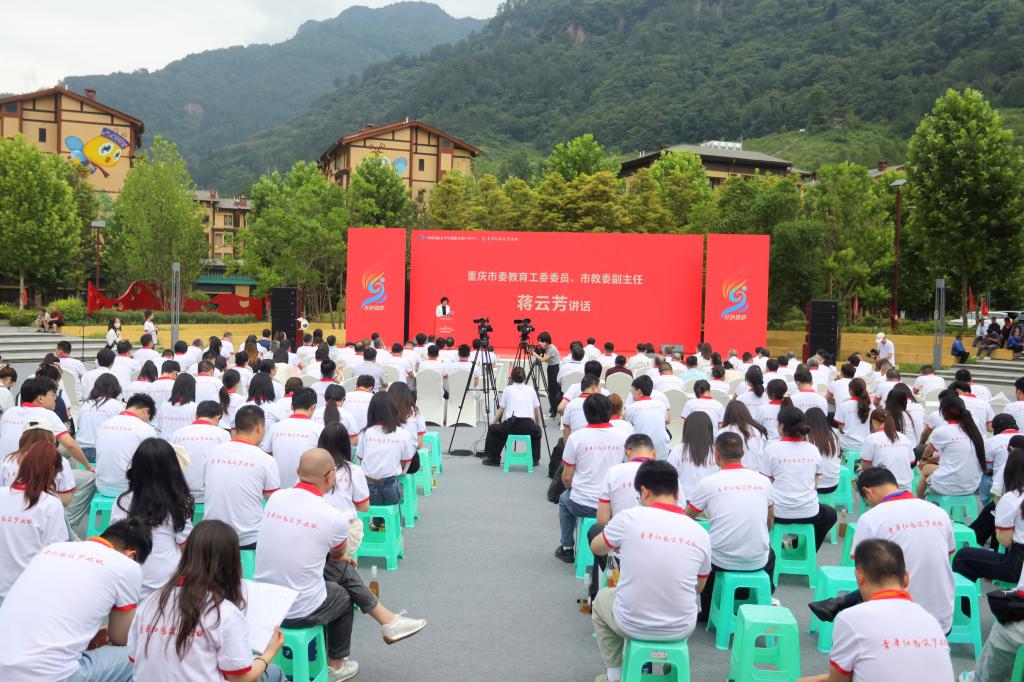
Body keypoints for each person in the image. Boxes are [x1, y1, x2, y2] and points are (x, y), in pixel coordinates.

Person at [256, 449, 426, 682]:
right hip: (298, 610)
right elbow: (338, 554)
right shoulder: (332, 516)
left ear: (297, 472)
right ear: (330, 477)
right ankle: (337, 664)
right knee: (343, 595)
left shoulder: (276, 498)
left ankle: (389, 621)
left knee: (341, 568)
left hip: (267, 602)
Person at [589, 460, 711, 682]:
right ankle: (667, 673)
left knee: (600, 601)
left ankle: (614, 675)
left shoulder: (628, 518)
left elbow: (596, 547)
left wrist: (620, 544)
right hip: (680, 626)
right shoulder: (700, 533)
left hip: (631, 622)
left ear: (644, 492)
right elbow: (698, 587)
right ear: (677, 492)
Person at [127, 520, 285, 682]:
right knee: (274, 673)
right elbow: (240, 678)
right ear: (231, 564)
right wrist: (269, 652)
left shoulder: (151, 600)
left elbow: (134, 657)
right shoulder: (224, 613)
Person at [808, 466, 955, 637]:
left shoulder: (871, 518)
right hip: (940, 620)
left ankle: (839, 604)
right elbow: (947, 556)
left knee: (872, 579)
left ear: (867, 492)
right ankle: (838, 603)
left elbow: (864, 576)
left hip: (893, 623)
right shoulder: (939, 513)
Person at [0, 518, 152, 682]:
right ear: (131, 555)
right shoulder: (127, 566)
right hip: (51, 676)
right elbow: (120, 638)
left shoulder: (51, 549)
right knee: (140, 653)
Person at [798, 539, 953, 682]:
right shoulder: (930, 620)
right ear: (906, 577)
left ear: (860, 577)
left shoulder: (850, 619)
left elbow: (838, 681)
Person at [687, 431, 775, 620]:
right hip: (757, 559)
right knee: (770, 553)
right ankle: (764, 596)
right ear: (742, 454)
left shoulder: (708, 483)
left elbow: (687, 518)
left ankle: (708, 610)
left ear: (717, 455)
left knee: (706, 552)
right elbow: (770, 520)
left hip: (721, 559)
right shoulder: (763, 481)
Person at [110, 438, 193, 597]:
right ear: (173, 470)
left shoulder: (122, 501)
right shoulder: (177, 503)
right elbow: (186, 547)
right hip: (167, 585)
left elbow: (116, 543)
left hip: (129, 582)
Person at [557, 394, 628, 563]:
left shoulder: (576, 437)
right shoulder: (623, 436)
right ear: (609, 411)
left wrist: (574, 490)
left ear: (586, 413)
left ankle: (567, 547)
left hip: (583, 503)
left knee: (564, 500)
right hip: (613, 505)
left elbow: (567, 476)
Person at [0, 441, 69, 602]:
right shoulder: (50, 503)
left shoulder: (2, 494)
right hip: (27, 592)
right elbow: (56, 553)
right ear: (52, 471)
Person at [203, 406, 280, 549]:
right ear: (259, 427)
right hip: (248, 540)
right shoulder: (266, 460)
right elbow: (273, 502)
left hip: (211, 536)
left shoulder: (213, 453)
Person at [766, 407, 836, 550]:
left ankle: (778, 548)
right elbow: (815, 484)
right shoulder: (813, 449)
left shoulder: (771, 449)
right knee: (830, 515)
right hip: (808, 512)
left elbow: (766, 485)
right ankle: (805, 550)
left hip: (778, 513)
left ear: (781, 426)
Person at [951, 447, 1024, 584]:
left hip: (1018, 566)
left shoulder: (1012, 498)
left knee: (963, 557)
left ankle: (965, 598)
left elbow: (1005, 541)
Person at [0, 375, 91, 471]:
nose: (55, 399)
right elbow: (70, 445)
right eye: (53, 396)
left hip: (4, 469)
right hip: (31, 474)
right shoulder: (47, 415)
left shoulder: (9, 413)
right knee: (73, 460)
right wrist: (88, 466)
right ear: (40, 398)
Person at [917, 394, 985, 499]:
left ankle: (919, 501)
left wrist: (923, 460)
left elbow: (927, 452)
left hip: (946, 487)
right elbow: (954, 454)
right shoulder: (973, 428)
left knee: (925, 469)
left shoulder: (942, 431)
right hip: (971, 487)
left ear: (944, 412)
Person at [357, 393, 415, 510]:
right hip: (390, 485)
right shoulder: (403, 434)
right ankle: (390, 520)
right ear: (393, 410)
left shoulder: (365, 433)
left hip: (367, 486)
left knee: (373, 509)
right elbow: (405, 462)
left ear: (371, 411)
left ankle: (376, 520)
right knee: (398, 493)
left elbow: (361, 458)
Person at [95, 393, 158, 496]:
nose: (147, 421)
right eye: (148, 418)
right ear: (145, 411)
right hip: (131, 490)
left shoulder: (104, 424)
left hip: (103, 487)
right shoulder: (146, 429)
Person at [482, 365, 542, 466]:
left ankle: (493, 458)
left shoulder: (507, 389)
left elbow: (501, 409)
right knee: (537, 431)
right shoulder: (531, 390)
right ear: (524, 377)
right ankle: (534, 459)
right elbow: (537, 410)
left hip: (512, 425)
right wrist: (537, 425)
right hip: (528, 425)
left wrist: (494, 422)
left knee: (494, 429)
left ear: (512, 378)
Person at [170, 400, 229, 502]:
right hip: (211, 494)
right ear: (217, 416)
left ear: (196, 415)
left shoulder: (178, 433)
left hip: (181, 492)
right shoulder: (223, 435)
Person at [266, 388, 323, 488]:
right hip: (306, 489)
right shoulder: (319, 429)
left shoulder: (275, 427)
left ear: (292, 406)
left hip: (276, 489)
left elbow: (267, 455)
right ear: (313, 407)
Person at [860, 408, 916, 492]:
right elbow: (912, 462)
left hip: (884, 488)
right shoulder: (904, 437)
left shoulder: (871, 438)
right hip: (906, 488)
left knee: (861, 475)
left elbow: (866, 467)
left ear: (873, 422)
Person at [667, 411, 718, 502]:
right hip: (710, 499)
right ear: (709, 429)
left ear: (687, 429)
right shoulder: (717, 451)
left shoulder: (677, 450)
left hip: (684, 499)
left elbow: (668, 476)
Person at [76, 374, 125, 463]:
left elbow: (79, 427)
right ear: (116, 388)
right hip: (101, 451)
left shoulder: (86, 404)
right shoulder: (116, 405)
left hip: (80, 452)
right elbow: (123, 430)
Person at [624, 375, 670, 459]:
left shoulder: (631, 408)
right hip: (663, 451)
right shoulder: (662, 405)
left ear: (638, 391)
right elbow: (667, 421)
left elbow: (627, 427)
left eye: (632, 390)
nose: (631, 393)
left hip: (641, 452)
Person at [720, 399, 769, 473]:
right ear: (746, 412)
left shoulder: (724, 431)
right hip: (757, 473)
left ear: (727, 414)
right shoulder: (759, 430)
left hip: (732, 473)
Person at [805, 407, 841, 494]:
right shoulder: (833, 435)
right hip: (833, 484)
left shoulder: (806, 436)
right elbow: (838, 456)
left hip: (812, 486)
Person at [833, 377, 872, 454]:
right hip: (866, 445)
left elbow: (841, 428)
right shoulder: (871, 407)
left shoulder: (843, 406)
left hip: (847, 445)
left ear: (850, 391)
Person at [158, 373, 198, 441]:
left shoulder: (164, 405)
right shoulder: (194, 407)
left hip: (165, 443)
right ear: (192, 388)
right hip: (184, 443)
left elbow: (160, 426)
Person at [533, 332, 561, 417]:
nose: (540, 343)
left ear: (546, 341)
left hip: (554, 370)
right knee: (552, 390)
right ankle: (554, 409)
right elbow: (545, 359)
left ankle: (553, 412)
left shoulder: (552, 349)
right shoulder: (548, 348)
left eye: (541, 341)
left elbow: (542, 359)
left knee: (552, 391)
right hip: (552, 368)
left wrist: (533, 353)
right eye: (539, 341)